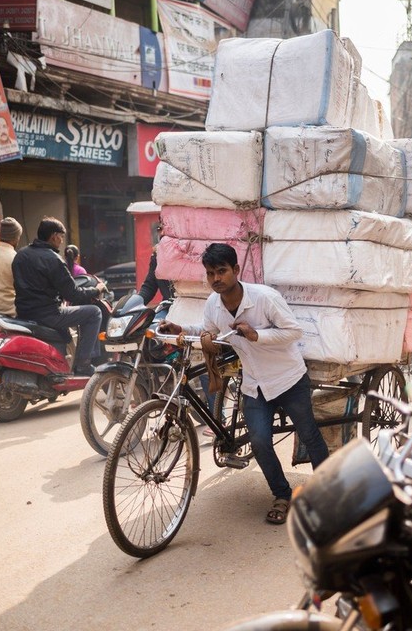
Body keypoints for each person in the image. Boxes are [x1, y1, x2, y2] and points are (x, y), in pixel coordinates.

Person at [158, 243, 328, 525]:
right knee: (260, 440)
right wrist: (181, 329)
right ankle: (282, 495)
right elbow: (209, 332)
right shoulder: (214, 304)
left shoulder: (264, 298)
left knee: (309, 434)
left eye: (222, 271)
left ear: (236, 270)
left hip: (288, 378)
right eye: (211, 273)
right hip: (254, 384)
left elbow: (293, 331)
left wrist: (257, 334)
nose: (216, 279)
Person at [11, 217, 107, 376]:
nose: (62, 241)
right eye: (61, 236)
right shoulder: (53, 259)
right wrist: (96, 290)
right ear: (54, 236)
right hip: (49, 315)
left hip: (23, 312)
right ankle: (83, 363)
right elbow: (73, 294)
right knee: (94, 312)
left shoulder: (21, 255)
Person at [137, 222, 174, 305]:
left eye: (167, 229)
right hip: (167, 308)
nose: (162, 233)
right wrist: (134, 303)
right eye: (159, 229)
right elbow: (149, 286)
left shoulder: (192, 257)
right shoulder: (157, 256)